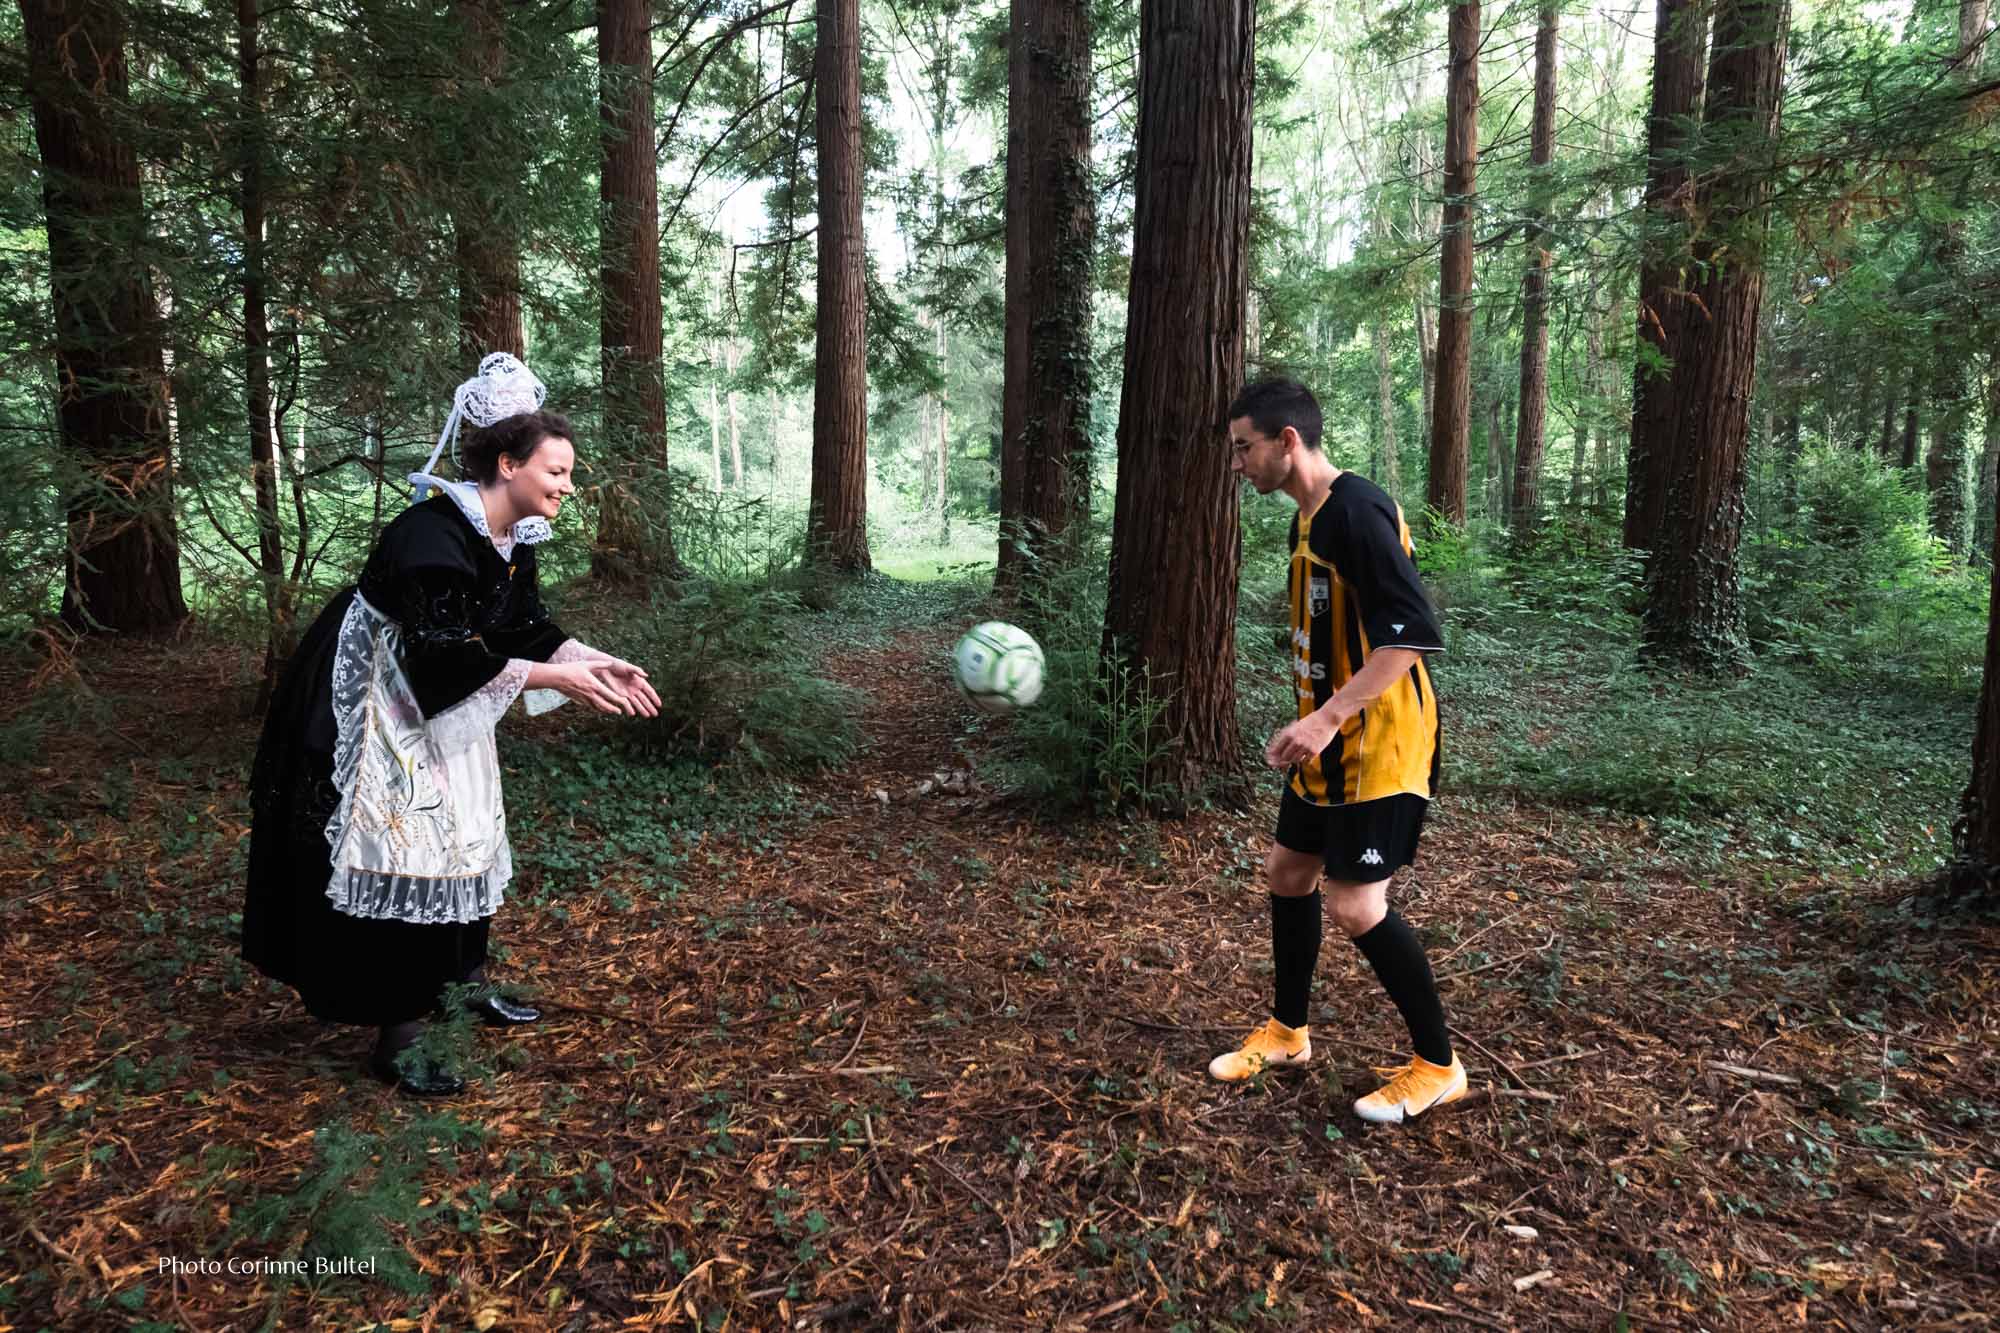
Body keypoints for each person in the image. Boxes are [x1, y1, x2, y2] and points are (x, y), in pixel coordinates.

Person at [243, 354, 661, 1096]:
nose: (568, 487)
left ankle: (461, 985)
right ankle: (397, 1034)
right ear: (507, 463)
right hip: (380, 706)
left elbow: (524, 627)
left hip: (442, 698)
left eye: (569, 474)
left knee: (467, 832)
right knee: (405, 849)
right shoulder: (432, 534)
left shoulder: (510, 540)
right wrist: (558, 679)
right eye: (556, 472)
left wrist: (597, 661)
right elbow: (438, 655)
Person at [1209, 377, 1467, 1124]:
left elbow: (1412, 631)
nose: (1237, 464)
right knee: (1288, 873)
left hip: (1381, 745)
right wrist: (1314, 722)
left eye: (1243, 448)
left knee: (1357, 904)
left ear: (1287, 442)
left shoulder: (1354, 511)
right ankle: (1289, 1034)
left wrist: (1326, 716)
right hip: (1328, 744)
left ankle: (1438, 1065)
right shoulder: (1308, 518)